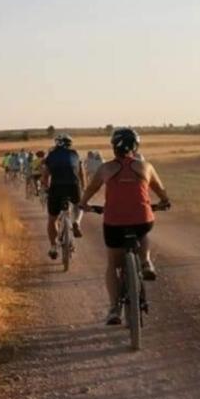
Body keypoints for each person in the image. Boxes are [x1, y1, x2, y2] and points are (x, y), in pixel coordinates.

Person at [80, 128, 171, 325]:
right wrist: (164, 201)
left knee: (113, 265)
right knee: (143, 228)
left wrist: (83, 204)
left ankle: (114, 308)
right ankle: (146, 261)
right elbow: (160, 190)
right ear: (136, 147)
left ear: (113, 147)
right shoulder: (145, 166)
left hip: (114, 222)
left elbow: (90, 189)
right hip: (142, 219)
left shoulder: (105, 169)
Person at [42, 134, 87, 260]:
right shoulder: (75, 154)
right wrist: (83, 188)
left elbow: (46, 176)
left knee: (52, 219)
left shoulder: (51, 155)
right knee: (79, 206)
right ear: (70, 144)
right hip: (73, 186)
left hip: (56, 187)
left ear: (57, 143)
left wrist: (46, 189)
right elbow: (82, 173)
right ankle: (76, 222)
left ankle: (53, 246)